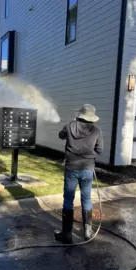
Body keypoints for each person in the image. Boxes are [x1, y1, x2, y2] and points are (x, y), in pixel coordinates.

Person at [54, 104, 103, 244]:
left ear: (80, 115)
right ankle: (88, 232)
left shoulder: (70, 126)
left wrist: (69, 128)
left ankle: (66, 234)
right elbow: (100, 150)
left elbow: (60, 135)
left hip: (71, 169)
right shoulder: (97, 130)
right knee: (86, 199)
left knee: (68, 199)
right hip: (87, 169)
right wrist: (89, 153)